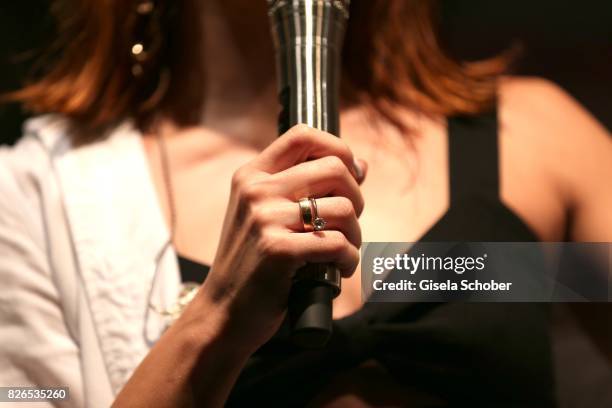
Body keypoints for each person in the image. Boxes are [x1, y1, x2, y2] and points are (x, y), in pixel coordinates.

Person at [0, 0, 610, 407]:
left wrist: (481, 271)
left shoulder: (527, 136)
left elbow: (563, 276)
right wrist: (215, 319)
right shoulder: (41, 194)